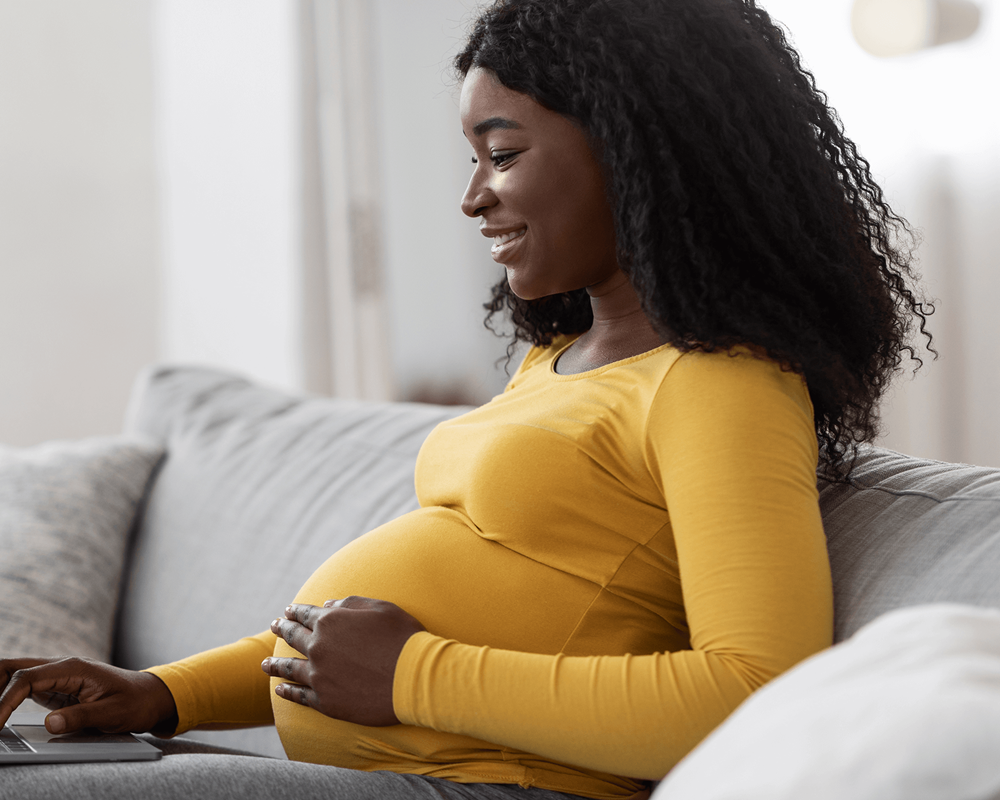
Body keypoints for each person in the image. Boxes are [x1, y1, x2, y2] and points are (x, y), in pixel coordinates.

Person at [0, 1, 932, 798]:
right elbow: (349, 643)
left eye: (503, 153)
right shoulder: (559, 362)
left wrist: (416, 675)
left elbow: (758, 688)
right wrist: (164, 695)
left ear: (638, 151)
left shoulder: (722, 383)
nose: (472, 197)